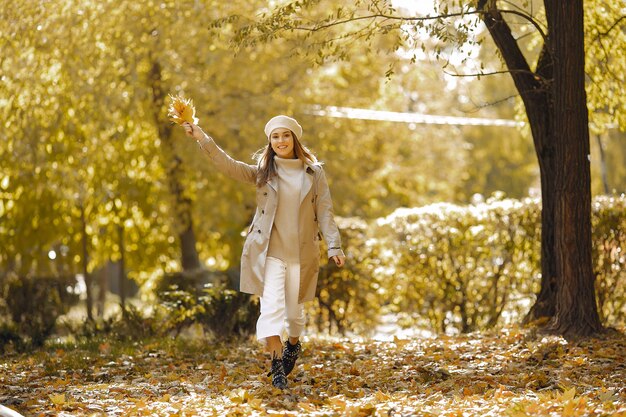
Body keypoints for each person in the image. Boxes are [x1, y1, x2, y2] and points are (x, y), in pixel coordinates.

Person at [181, 115, 346, 389]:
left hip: (302, 253)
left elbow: (325, 212)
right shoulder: (264, 172)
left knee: (294, 316)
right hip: (269, 252)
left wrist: (334, 246)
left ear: (294, 139)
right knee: (270, 308)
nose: (280, 141)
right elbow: (229, 165)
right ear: (270, 142)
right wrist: (202, 138)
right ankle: (276, 364)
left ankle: (293, 344)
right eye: (275, 137)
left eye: (285, 135)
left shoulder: (314, 173)